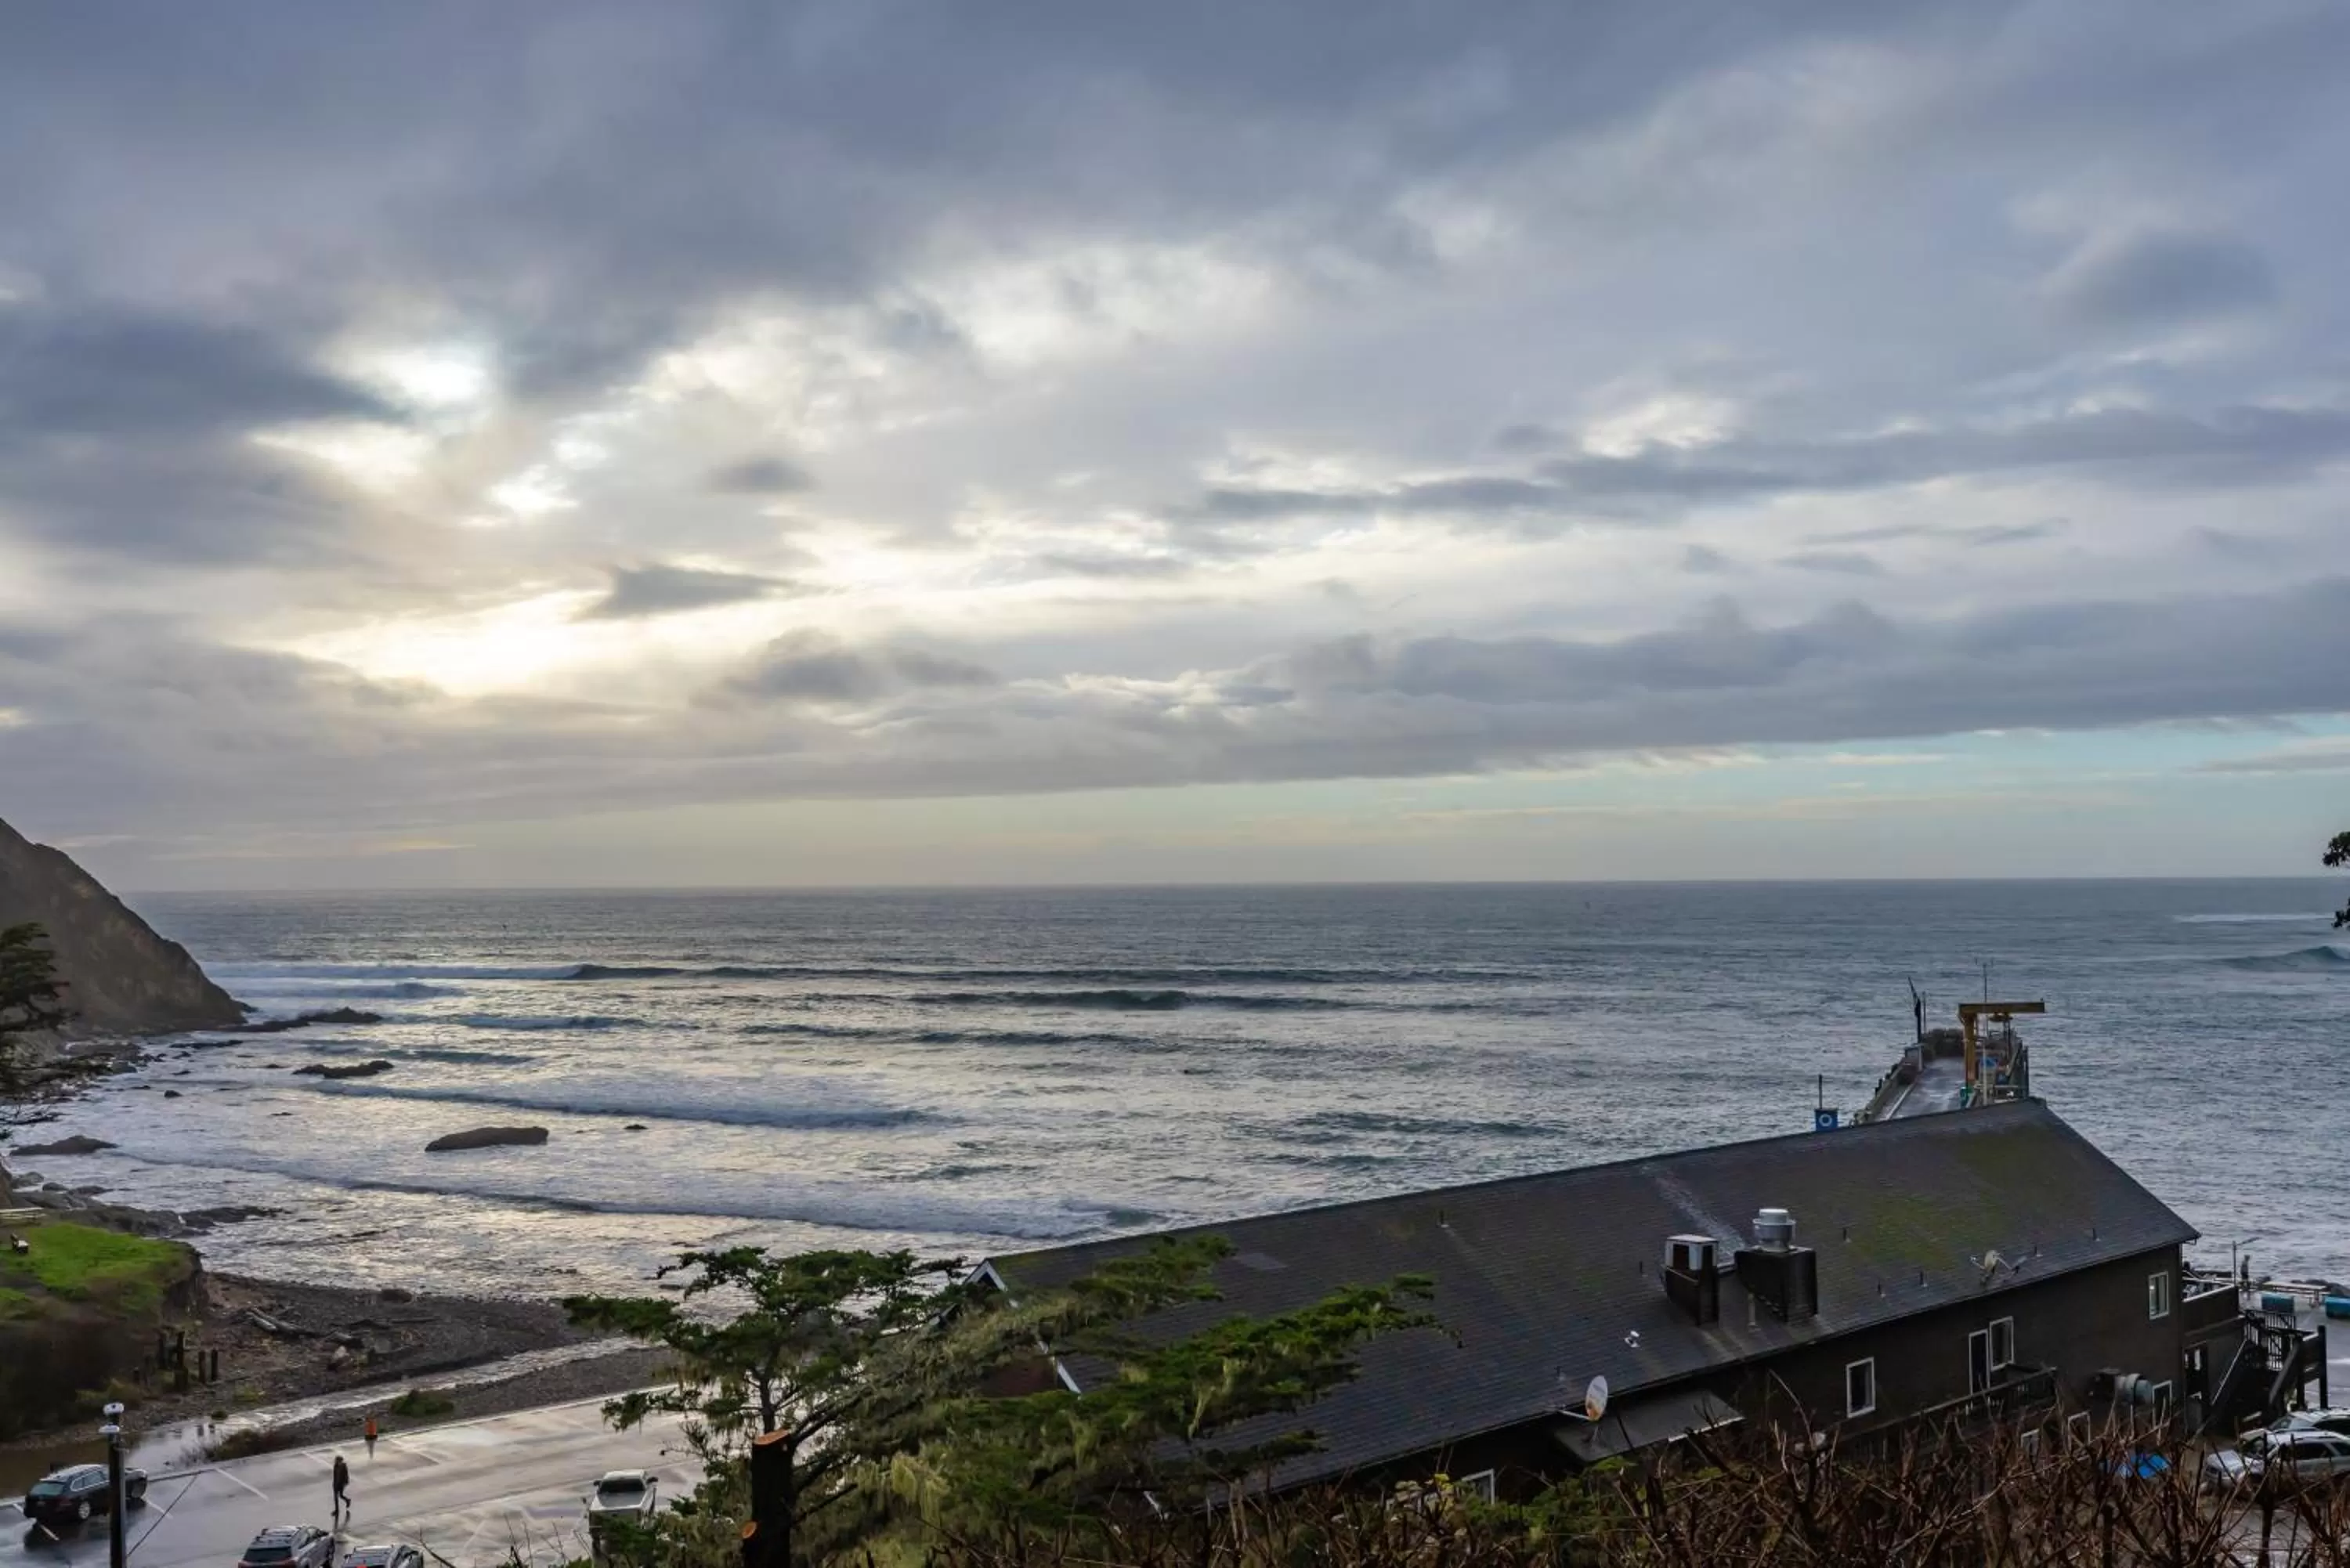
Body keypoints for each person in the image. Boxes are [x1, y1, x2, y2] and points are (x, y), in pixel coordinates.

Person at [331, 1454, 350, 1523]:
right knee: (335, 1498)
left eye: (337, 1460)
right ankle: (337, 1511)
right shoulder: (335, 1466)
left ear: (340, 1461)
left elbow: (346, 1476)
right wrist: (334, 1483)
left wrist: (345, 1483)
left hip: (341, 1484)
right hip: (336, 1484)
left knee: (341, 1495)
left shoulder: (344, 1466)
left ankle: (347, 1500)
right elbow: (335, 1475)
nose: (335, 1461)